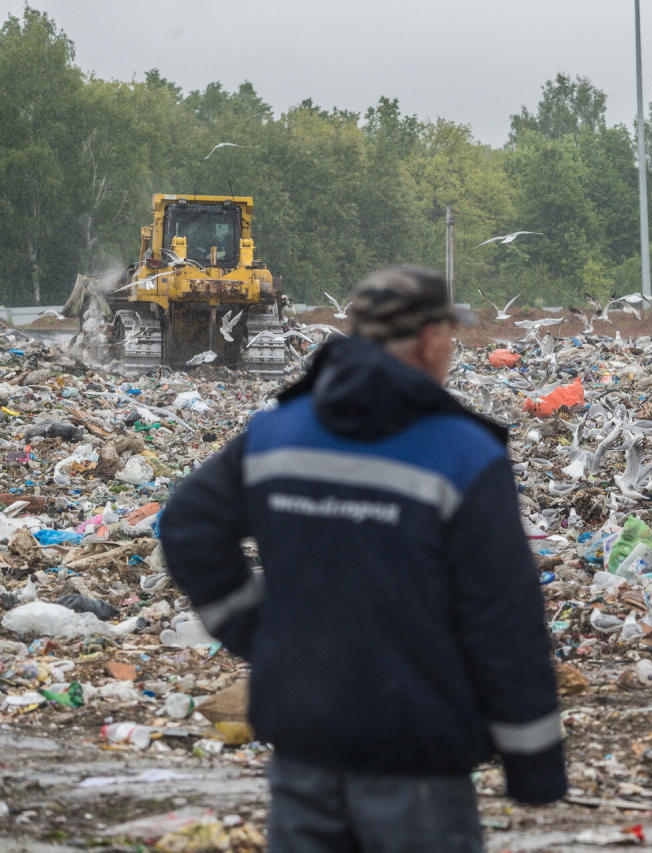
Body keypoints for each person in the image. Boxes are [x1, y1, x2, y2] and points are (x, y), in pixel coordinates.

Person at [160, 266, 566, 853]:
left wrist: (260, 632)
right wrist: (534, 764)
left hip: (303, 741)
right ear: (429, 339)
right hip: (417, 755)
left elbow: (187, 528)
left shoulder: (277, 433)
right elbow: (503, 617)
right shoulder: (463, 454)